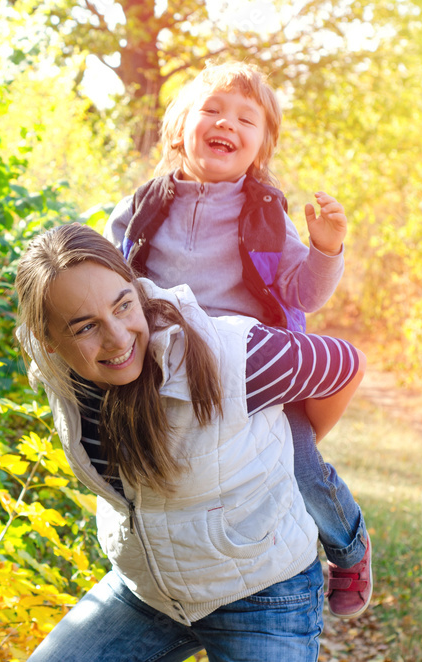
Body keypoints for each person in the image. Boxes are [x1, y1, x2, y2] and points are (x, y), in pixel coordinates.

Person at [15, 223, 366, 661]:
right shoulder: (64, 381)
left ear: (136, 289)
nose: (117, 338)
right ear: (49, 342)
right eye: (86, 327)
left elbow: (345, 365)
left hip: (261, 594)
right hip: (149, 593)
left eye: (123, 306)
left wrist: (291, 444)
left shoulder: (232, 356)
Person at [104, 61, 372, 619]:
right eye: (212, 110)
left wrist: (326, 248)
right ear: (180, 126)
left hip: (251, 363)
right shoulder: (143, 206)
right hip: (166, 364)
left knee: (295, 457)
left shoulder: (267, 215)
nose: (227, 122)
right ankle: (153, 567)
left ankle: (348, 545)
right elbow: (110, 275)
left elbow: (301, 292)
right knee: (134, 458)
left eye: (246, 118)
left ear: (260, 148)